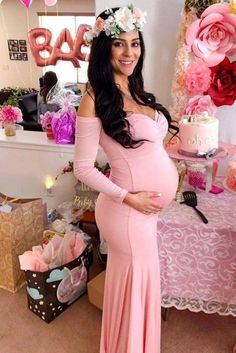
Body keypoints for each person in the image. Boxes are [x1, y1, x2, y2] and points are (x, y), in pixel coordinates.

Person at [74, 4, 179, 353]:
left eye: (135, 43)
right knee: (138, 285)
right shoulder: (94, 97)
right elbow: (83, 168)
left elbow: (146, 147)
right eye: (120, 43)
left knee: (136, 286)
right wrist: (128, 197)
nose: (129, 52)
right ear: (105, 47)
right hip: (127, 212)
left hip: (142, 211)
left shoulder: (136, 87)